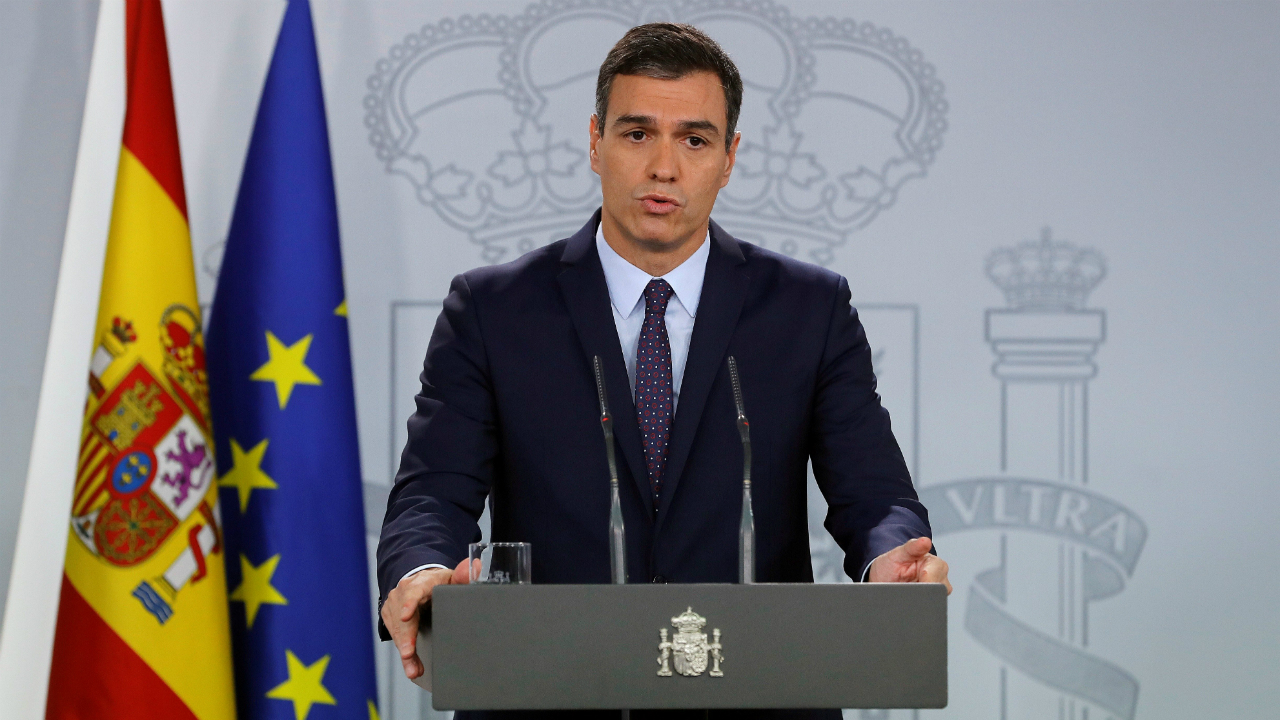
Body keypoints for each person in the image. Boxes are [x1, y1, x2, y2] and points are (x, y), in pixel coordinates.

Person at [377, 22, 950, 719]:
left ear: (730, 157)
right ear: (596, 141)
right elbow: (432, 492)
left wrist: (893, 559)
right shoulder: (494, 310)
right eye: (637, 133)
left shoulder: (808, 308)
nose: (664, 167)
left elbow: (874, 493)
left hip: (753, 697)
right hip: (551, 694)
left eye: (695, 140)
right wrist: (424, 571)